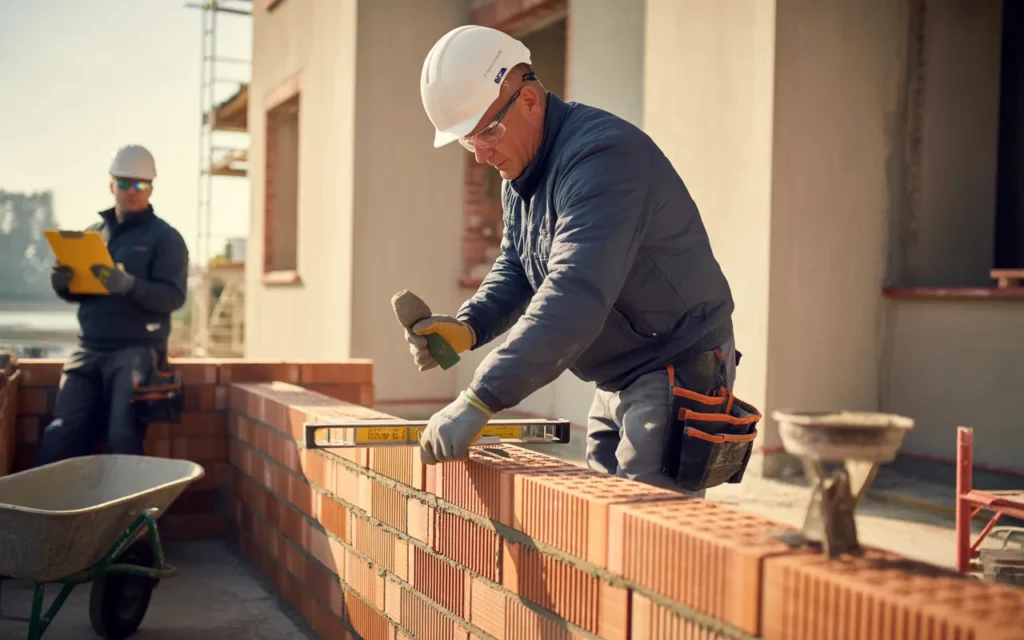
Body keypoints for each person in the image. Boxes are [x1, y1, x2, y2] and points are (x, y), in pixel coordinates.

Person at [407, 25, 746, 493]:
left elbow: (574, 293)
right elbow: (519, 265)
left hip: (675, 364)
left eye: (487, 131)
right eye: (468, 140)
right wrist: (469, 326)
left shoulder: (603, 158)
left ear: (528, 101)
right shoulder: (523, 172)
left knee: (646, 536)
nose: (481, 154)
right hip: (617, 373)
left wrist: (478, 398)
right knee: (600, 524)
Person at [37, 144, 189, 465]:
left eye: (140, 184)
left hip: (136, 350)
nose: (132, 191)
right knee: (60, 432)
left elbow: (173, 297)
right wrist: (64, 284)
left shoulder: (165, 238)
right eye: (124, 183)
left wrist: (130, 285)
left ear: (151, 188)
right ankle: (55, 513)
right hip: (89, 349)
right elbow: (81, 293)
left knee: (122, 435)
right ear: (111, 185)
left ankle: (130, 516)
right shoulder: (94, 235)